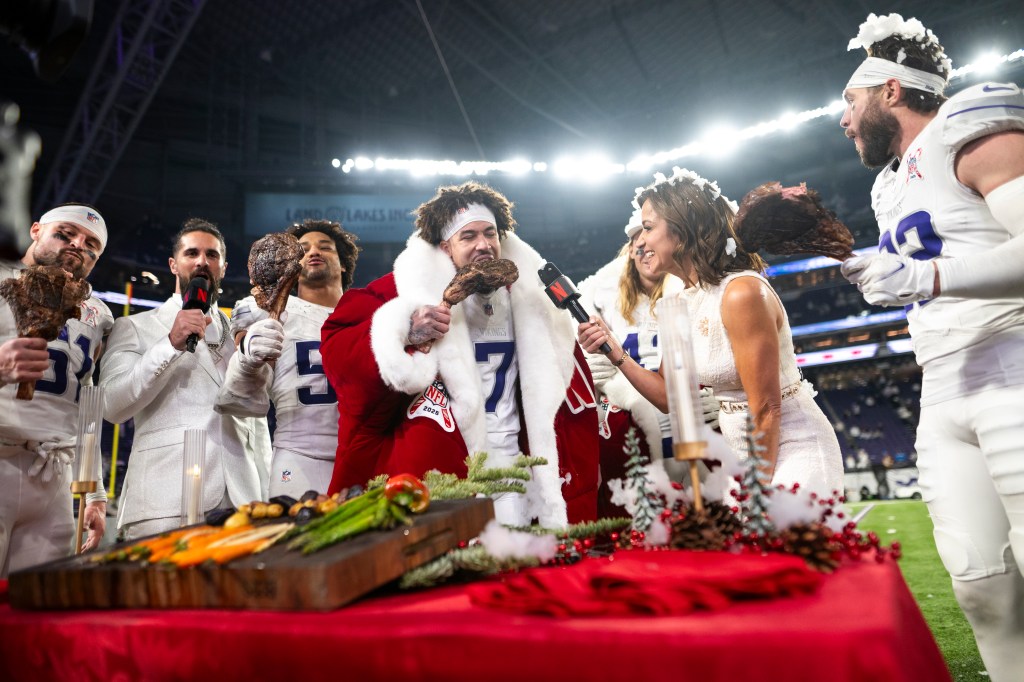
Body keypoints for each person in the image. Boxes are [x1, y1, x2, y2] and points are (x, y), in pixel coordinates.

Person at [836, 13, 1024, 679]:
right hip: (940, 387)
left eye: (850, 100)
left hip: (1013, 362)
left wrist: (927, 276)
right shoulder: (887, 184)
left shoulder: (966, 122)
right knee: (980, 587)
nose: (843, 119)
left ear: (890, 90)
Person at [320, 181, 599, 527]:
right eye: (468, 237)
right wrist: (403, 329)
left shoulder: (531, 296)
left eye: (490, 233)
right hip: (449, 465)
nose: (483, 245)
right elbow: (338, 349)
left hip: (517, 465)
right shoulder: (406, 290)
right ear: (445, 247)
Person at [578, 168, 843, 495]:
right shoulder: (678, 298)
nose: (640, 243)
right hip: (741, 456)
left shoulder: (740, 292)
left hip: (792, 446)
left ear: (683, 229)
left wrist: (753, 498)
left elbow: (766, 410)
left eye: (648, 228)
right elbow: (669, 398)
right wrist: (615, 352)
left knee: (772, 543)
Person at [100, 219, 266, 540]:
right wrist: (170, 344)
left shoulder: (240, 335)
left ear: (223, 267)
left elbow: (255, 425)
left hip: (241, 500)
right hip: (165, 499)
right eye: (192, 253)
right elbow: (112, 405)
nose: (202, 261)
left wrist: (264, 487)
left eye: (212, 255)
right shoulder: (135, 327)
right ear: (174, 265)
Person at [577, 209, 718, 515]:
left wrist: (722, 396)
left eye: (648, 237)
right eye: (635, 242)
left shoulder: (693, 292)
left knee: (704, 514)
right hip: (632, 422)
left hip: (691, 418)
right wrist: (598, 376)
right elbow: (587, 363)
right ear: (628, 251)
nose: (642, 247)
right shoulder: (600, 297)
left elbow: (723, 352)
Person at [0, 204, 113, 576]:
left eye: (91, 245)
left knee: (37, 612)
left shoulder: (96, 312)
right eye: (65, 234)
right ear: (35, 230)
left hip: (54, 478)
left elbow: (87, 402)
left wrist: (94, 491)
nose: (78, 245)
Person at [216, 219, 359, 498]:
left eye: (325, 247)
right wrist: (248, 358)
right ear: (292, 266)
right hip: (299, 454)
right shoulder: (266, 313)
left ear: (343, 263)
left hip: (363, 450)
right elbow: (240, 402)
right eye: (303, 249)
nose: (313, 252)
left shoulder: (368, 313)